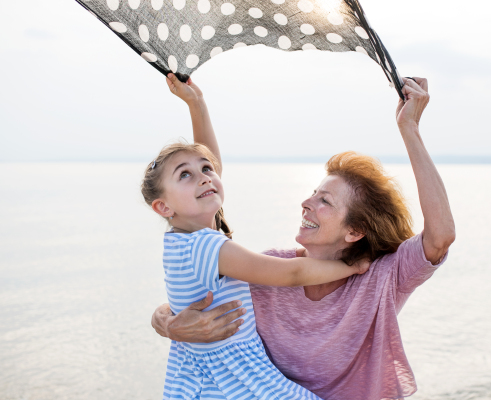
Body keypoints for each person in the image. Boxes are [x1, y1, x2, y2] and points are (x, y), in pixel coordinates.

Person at [152, 74, 455, 399]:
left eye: (324, 201)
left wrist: (410, 129)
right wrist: (167, 322)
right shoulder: (272, 269)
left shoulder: (380, 275)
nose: (305, 203)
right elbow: (202, 285)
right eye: (313, 193)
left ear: (354, 231)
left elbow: (440, 237)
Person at [141, 140, 371, 399]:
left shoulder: (180, 242)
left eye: (207, 169)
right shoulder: (206, 245)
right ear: (164, 207)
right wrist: (349, 267)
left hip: (200, 374)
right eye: (185, 174)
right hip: (233, 376)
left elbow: (208, 161)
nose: (204, 178)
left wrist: (197, 103)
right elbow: (290, 273)